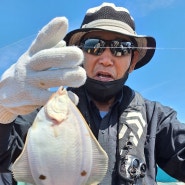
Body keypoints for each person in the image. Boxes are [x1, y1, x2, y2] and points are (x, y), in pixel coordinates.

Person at [0, 2, 185, 185]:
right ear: (80, 54)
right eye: (93, 45)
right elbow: (4, 165)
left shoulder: (156, 119)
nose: (106, 59)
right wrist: (3, 112)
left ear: (133, 60)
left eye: (120, 48)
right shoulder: (42, 112)